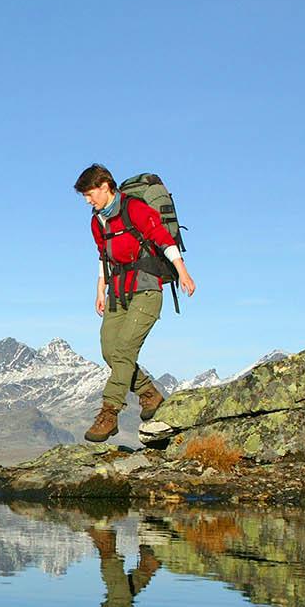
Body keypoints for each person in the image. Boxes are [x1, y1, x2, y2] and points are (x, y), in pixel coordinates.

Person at [75, 164, 197, 444]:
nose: (87, 200)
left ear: (105, 186)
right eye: (84, 196)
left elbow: (164, 241)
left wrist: (183, 272)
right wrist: (100, 290)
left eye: (90, 194)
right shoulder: (97, 222)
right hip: (118, 291)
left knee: (125, 350)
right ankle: (149, 394)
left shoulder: (135, 210)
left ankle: (109, 413)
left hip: (146, 289)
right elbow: (103, 257)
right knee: (110, 350)